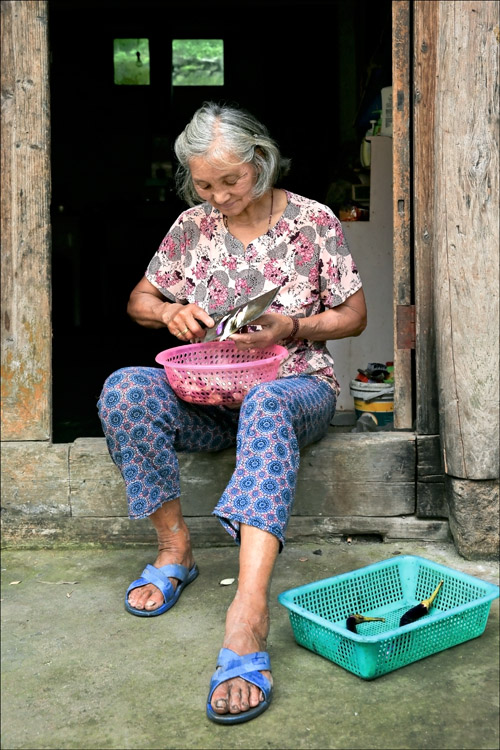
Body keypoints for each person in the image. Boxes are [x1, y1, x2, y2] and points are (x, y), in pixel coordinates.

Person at [97, 101, 367, 724]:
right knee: (125, 389)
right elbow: (141, 298)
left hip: (294, 388)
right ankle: (175, 550)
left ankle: (247, 611)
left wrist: (292, 327)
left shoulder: (312, 221)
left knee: (267, 404)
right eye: (204, 184)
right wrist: (167, 313)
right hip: (207, 397)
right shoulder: (191, 228)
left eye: (231, 181)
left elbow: (355, 316)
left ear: (261, 163)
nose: (217, 196)